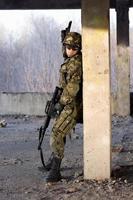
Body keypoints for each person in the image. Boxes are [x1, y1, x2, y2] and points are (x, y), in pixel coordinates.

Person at [46, 32, 82, 183]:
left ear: (78, 48)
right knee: (58, 131)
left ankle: (55, 170)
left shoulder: (75, 63)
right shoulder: (70, 60)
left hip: (71, 105)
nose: (70, 50)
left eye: (74, 48)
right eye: (67, 47)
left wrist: (60, 103)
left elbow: (72, 89)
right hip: (67, 102)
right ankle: (54, 162)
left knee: (57, 134)